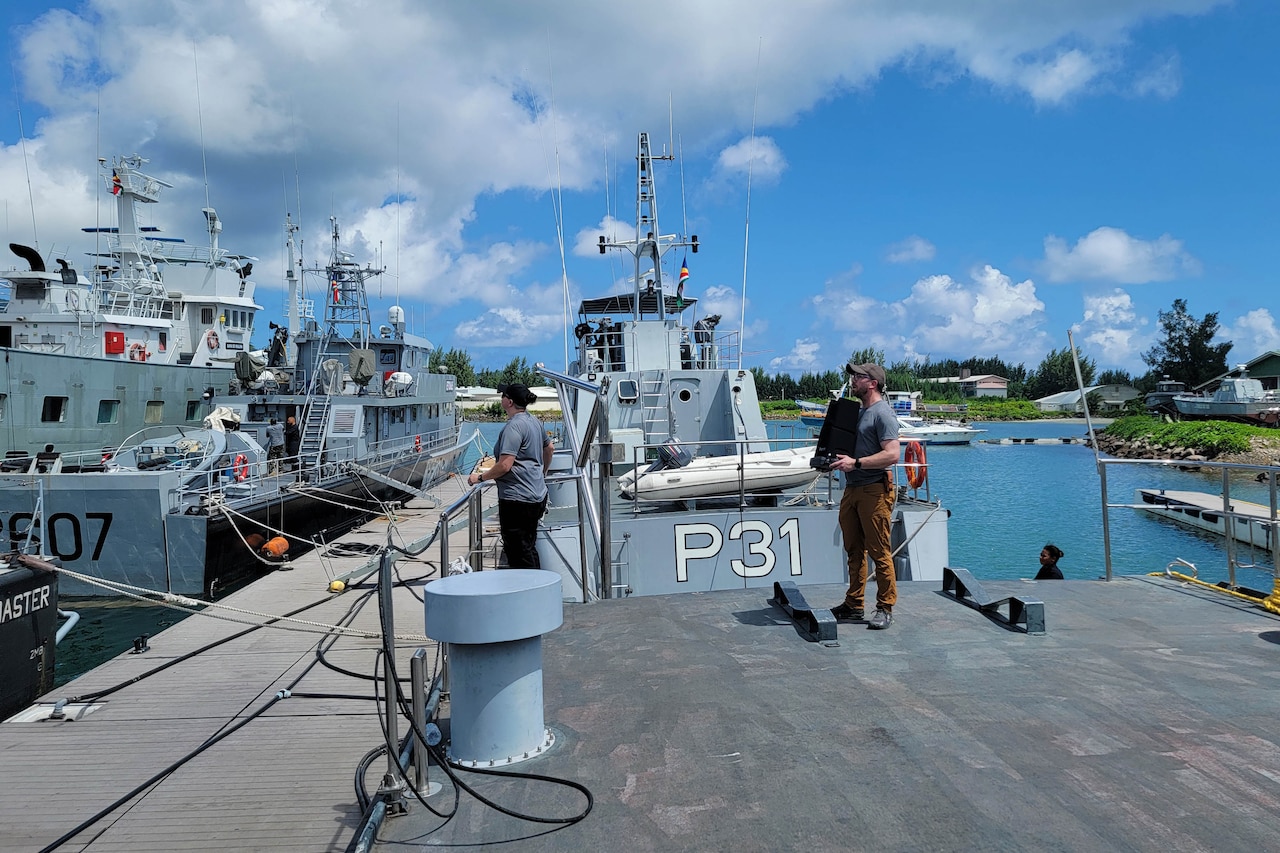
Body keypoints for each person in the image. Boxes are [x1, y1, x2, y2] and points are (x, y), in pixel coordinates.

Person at [829, 362, 900, 630]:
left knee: (880, 551)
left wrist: (856, 463)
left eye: (858, 377)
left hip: (873, 489)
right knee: (854, 550)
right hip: (853, 487)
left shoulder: (883, 414)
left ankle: (885, 607)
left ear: (872, 383)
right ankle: (854, 604)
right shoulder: (859, 412)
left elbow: (892, 454)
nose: (852, 381)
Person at [466, 383, 554, 569]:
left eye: (503, 396)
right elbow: (550, 448)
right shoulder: (534, 422)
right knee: (528, 546)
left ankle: (527, 591)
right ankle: (538, 587)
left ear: (509, 402)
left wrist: (479, 478)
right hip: (537, 495)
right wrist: (542, 473)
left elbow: (505, 465)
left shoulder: (513, 427)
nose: (501, 399)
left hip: (517, 500)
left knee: (518, 552)